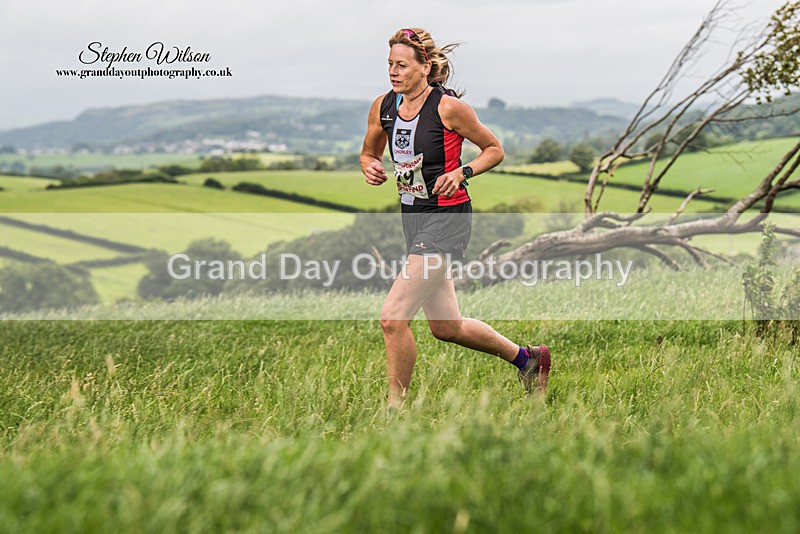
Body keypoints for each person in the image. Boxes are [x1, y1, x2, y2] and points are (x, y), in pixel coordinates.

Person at [360, 27, 551, 408]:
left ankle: (394, 411)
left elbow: (494, 149)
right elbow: (368, 152)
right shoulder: (383, 106)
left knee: (392, 318)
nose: (393, 72)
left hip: (448, 218)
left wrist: (462, 172)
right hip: (412, 217)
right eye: (389, 65)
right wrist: (370, 167)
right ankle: (529, 360)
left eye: (401, 65)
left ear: (425, 67)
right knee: (446, 327)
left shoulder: (448, 108)